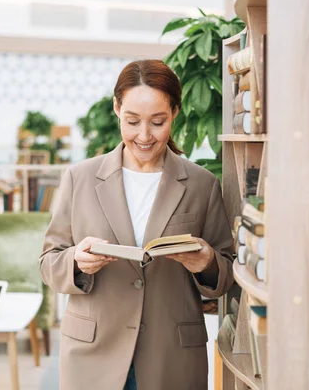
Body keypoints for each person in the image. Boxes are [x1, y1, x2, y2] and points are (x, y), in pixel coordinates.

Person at [40, 59, 234, 390]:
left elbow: (227, 271)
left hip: (170, 356)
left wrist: (206, 262)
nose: (144, 136)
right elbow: (49, 261)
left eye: (157, 122)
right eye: (132, 121)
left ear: (174, 112)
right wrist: (76, 261)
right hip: (94, 354)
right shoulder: (80, 178)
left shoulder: (202, 184)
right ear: (117, 109)